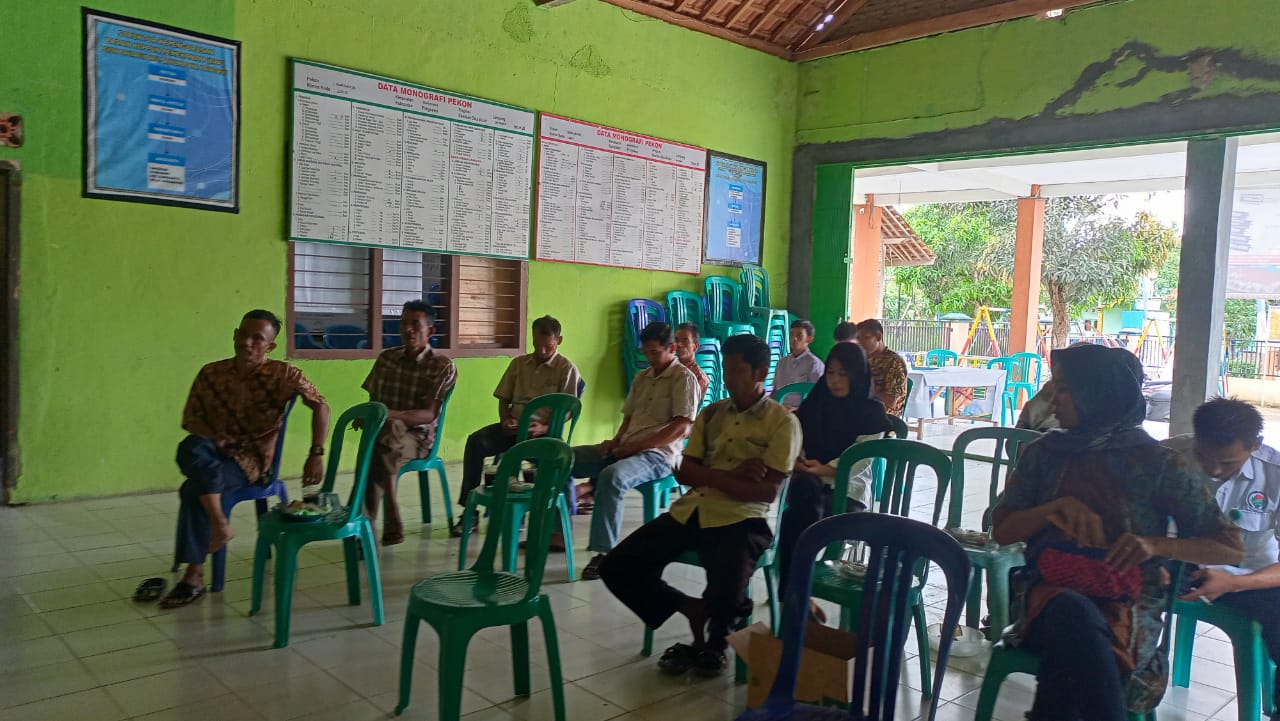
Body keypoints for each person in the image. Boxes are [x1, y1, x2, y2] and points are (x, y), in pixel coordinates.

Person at [992, 344, 1243, 721]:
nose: (1052, 401)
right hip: (1044, 594)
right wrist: (1053, 509)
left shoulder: (1158, 464)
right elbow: (1002, 531)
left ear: (1099, 393)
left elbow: (1229, 548)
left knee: (1074, 643)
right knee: (1073, 610)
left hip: (1131, 603)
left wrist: (1155, 545)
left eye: (1064, 389)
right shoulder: (1044, 454)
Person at [599, 334, 801, 677]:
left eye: (737, 371)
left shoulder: (782, 422)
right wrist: (731, 474)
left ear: (760, 373)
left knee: (730, 578)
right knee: (617, 565)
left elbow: (766, 491)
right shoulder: (712, 413)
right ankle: (689, 607)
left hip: (742, 517)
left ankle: (715, 643)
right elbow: (683, 471)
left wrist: (708, 475)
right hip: (691, 509)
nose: (729, 378)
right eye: (726, 369)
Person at [162, 310, 331, 608]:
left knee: (193, 488)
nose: (247, 343)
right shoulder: (211, 372)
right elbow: (191, 419)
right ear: (234, 334)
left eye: (258, 338)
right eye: (243, 334)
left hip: (250, 461)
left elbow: (321, 406)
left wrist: (316, 453)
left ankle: (194, 576)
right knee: (190, 446)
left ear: (270, 346)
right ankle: (220, 525)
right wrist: (216, 437)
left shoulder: (283, 374)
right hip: (211, 449)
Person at [1164, 398, 1280, 719]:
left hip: (1251, 577)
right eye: (1205, 457)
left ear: (1255, 445)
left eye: (1227, 462)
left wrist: (1235, 582)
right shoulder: (1167, 457)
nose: (1214, 470)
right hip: (1179, 566)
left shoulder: (1276, 475)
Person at [572, 322, 699, 580]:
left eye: (655, 352)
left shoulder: (684, 378)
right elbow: (629, 418)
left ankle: (604, 553)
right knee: (564, 459)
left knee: (612, 477)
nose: (649, 358)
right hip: (626, 448)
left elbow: (681, 427)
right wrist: (616, 441)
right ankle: (557, 533)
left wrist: (636, 447)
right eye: (646, 352)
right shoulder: (642, 378)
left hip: (659, 455)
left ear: (671, 348)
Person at [776, 343, 893, 601]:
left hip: (847, 492)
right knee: (798, 510)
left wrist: (825, 469)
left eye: (843, 374)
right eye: (830, 373)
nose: (835, 381)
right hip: (810, 483)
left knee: (797, 516)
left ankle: (794, 595)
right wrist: (798, 459)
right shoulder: (818, 401)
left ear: (857, 374)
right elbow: (796, 434)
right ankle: (795, 595)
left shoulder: (871, 411)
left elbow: (862, 457)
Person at [452, 315, 581, 537]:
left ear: (558, 341)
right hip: (514, 429)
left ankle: (547, 525)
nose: (541, 351)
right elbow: (503, 398)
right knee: (476, 442)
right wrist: (505, 419)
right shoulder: (519, 364)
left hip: (543, 435)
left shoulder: (566, 369)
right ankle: (469, 511)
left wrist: (544, 428)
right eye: (536, 344)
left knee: (557, 466)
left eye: (548, 346)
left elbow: (568, 410)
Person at [360, 300, 457, 545]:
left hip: (419, 437)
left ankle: (366, 526)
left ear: (430, 331)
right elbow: (374, 402)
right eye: (403, 323)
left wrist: (388, 415)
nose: (407, 329)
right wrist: (371, 416)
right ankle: (385, 514)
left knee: (380, 446)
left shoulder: (442, 365)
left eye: (415, 324)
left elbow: (429, 414)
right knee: (385, 438)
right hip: (385, 435)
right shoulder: (387, 359)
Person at [854, 319, 908, 416]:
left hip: (884, 418)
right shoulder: (862, 359)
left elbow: (891, 402)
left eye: (866, 338)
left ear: (878, 337)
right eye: (858, 339)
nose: (860, 343)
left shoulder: (894, 362)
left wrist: (867, 389)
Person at [774, 319, 824, 410]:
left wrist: (797, 409)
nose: (794, 338)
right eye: (791, 334)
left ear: (809, 339)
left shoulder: (814, 364)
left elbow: (818, 397)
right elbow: (775, 391)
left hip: (803, 411)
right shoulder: (781, 363)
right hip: (780, 410)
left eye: (799, 335)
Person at [674, 322, 711, 402]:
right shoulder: (670, 368)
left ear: (695, 347)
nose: (679, 344)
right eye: (676, 340)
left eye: (685, 340)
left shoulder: (698, 377)